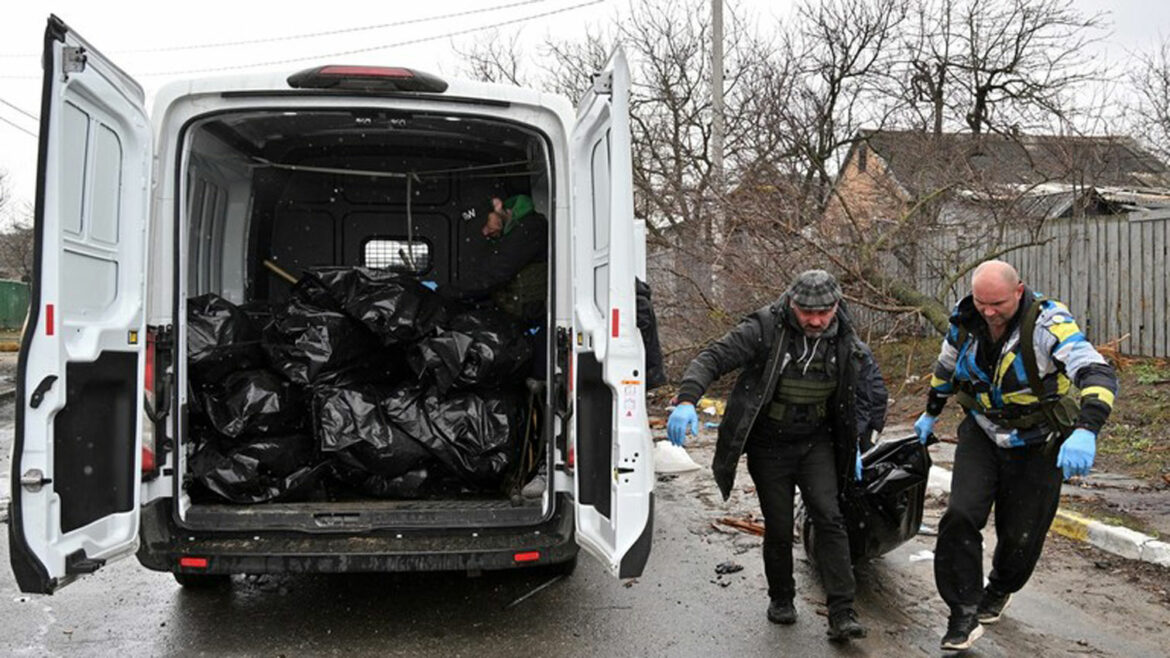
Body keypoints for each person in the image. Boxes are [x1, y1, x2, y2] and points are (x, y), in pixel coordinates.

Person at [667, 270, 887, 643]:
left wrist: (862, 442)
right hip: (770, 443)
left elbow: (871, 391)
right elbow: (714, 356)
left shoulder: (846, 339)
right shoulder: (765, 327)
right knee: (780, 523)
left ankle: (842, 611)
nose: (816, 320)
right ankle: (781, 597)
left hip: (816, 441)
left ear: (836, 306)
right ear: (791, 303)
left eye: (824, 312)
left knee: (830, 517)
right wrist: (687, 398)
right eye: (806, 312)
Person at [915, 260, 1118, 652]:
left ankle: (1000, 588)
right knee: (960, 515)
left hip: (1037, 441)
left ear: (1019, 291)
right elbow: (946, 367)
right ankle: (962, 612)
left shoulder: (1049, 324)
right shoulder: (965, 319)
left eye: (997, 304)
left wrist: (1086, 430)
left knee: (1021, 535)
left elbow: (1096, 372)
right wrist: (931, 411)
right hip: (983, 431)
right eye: (981, 302)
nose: (988, 312)